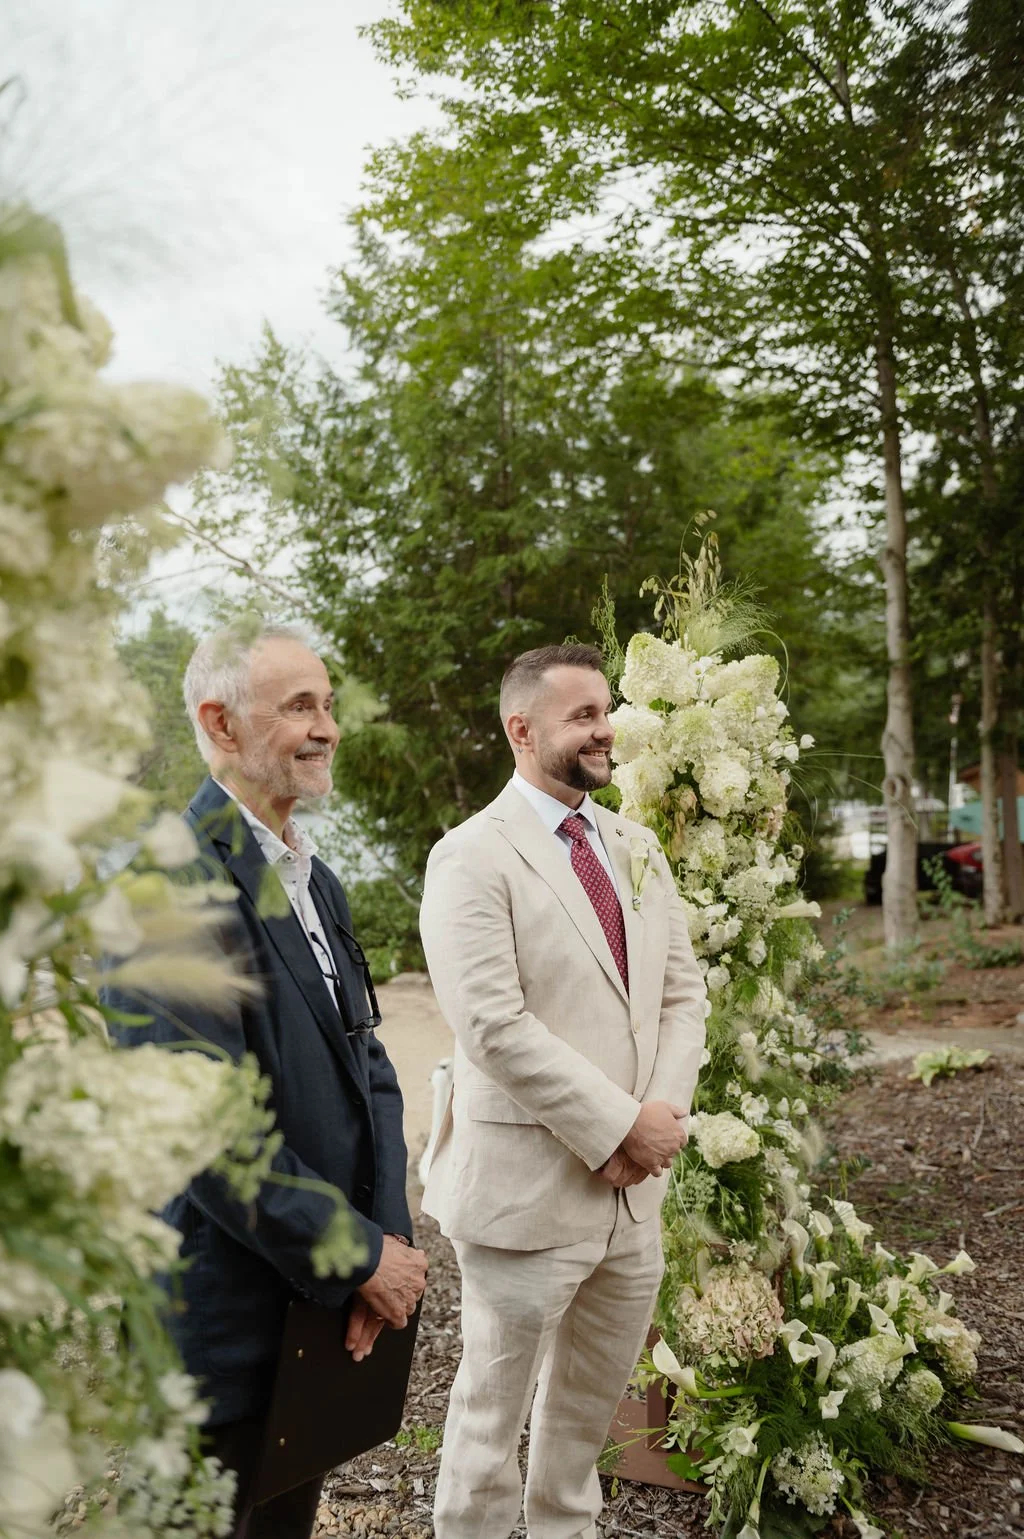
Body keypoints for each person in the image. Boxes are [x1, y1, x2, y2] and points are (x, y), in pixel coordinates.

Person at [105, 621, 427, 1539]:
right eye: (299, 706)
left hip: (312, 1313)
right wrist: (358, 1254)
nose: (328, 726)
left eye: (328, 704)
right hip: (219, 1327)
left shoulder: (311, 880)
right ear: (220, 722)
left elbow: (369, 1066)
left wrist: (386, 1241)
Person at [419, 643, 707, 1539]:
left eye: (604, 709)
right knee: (486, 1423)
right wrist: (619, 1126)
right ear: (522, 729)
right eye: (581, 714)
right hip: (523, 1192)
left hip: (631, 1202)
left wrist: (655, 1121)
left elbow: (681, 993)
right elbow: (494, 1026)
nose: (604, 728)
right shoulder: (470, 856)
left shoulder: (636, 846)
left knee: (584, 1424)